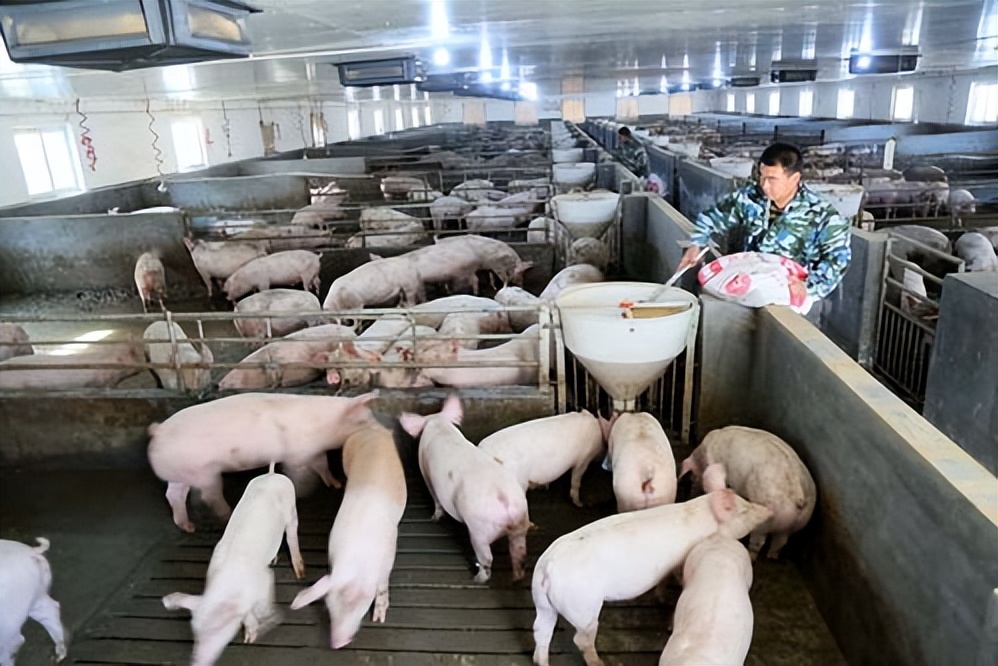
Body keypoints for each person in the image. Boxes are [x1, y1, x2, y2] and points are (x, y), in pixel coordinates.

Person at [677, 142, 852, 304]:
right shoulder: (750, 198)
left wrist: (810, 287)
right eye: (762, 176)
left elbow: (838, 258)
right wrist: (696, 243)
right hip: (749, 286)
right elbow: (712, 217)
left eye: (772, 179)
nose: (765, 185)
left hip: (790, 296)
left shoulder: (822, 214)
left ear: (794, 178)